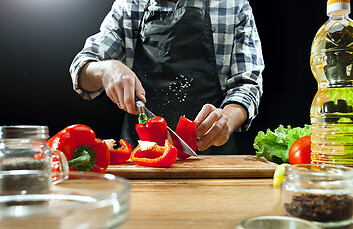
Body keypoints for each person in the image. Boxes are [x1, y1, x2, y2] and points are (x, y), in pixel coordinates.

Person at [70, 0, 264, 154]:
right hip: (142, 154)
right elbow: (82, 69)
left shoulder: (234, 6)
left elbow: (248, 85)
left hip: (212, 155)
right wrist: (106, 70)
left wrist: (226, 120)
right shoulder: (130, 5)